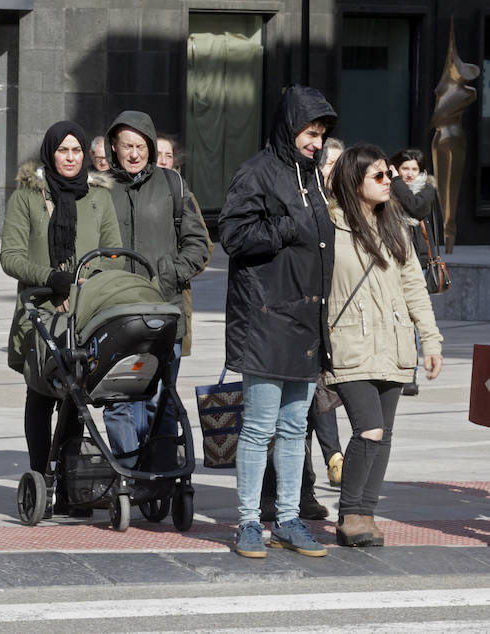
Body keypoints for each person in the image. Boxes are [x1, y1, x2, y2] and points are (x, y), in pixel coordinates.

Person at [219, 85, 336, 559]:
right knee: (259, 428)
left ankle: (288, 518)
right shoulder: (257, 173)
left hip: (305, 322)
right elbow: (231, 234)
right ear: (290, 128)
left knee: (293, 430)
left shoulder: (311, 177)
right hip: (266, 319)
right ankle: (249, 521)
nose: (317, 141)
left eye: (322, 133)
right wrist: (286, 225)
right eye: (311, 132)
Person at [0, 121, 121, 516]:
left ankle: (71, 484)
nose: (70, 158)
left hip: (83, 312)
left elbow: (112, 254)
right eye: (62, 150)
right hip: (41, 312)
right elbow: (11, 256)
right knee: (41, 395)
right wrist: (51, 280)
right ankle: (41, 480)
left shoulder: (100, 198)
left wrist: (84, 291)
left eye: (76, 151)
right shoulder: (27, 197)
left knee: (75, 398)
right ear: (50, 153)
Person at [326, 143, 443, 547]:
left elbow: (413, 285)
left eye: (389, 174)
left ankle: (366, 512)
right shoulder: (329, 225)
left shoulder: (395, 223)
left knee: (385, 433)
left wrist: (430, 340)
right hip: (349, 344)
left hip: (394, 344)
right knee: (370, 429)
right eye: (379, 175)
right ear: (353, 181)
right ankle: (349, 514)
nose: (388, 181)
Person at [101, 111, 212, 473]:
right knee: (118, 400)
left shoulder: (172, 185)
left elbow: (198, 245)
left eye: (140, 146)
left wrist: (167, 277)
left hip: (164, 312)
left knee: (160, 399)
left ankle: (161, 474)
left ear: (149, 146)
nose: (134, 154)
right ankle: (130, 474)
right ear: (112, 148)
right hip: (115, 315)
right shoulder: (100, 189)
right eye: (126, 146)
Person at [389, 147, 443, 396]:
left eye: (414, 169)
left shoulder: (426, 189)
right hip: (391, 261)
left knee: (412, 316)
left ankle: (410, 371)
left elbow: (417, 209)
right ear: (396, 167)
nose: (410, 174)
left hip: (418, 263)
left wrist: (396, 182)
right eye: (404, 169)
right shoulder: (385, 190)